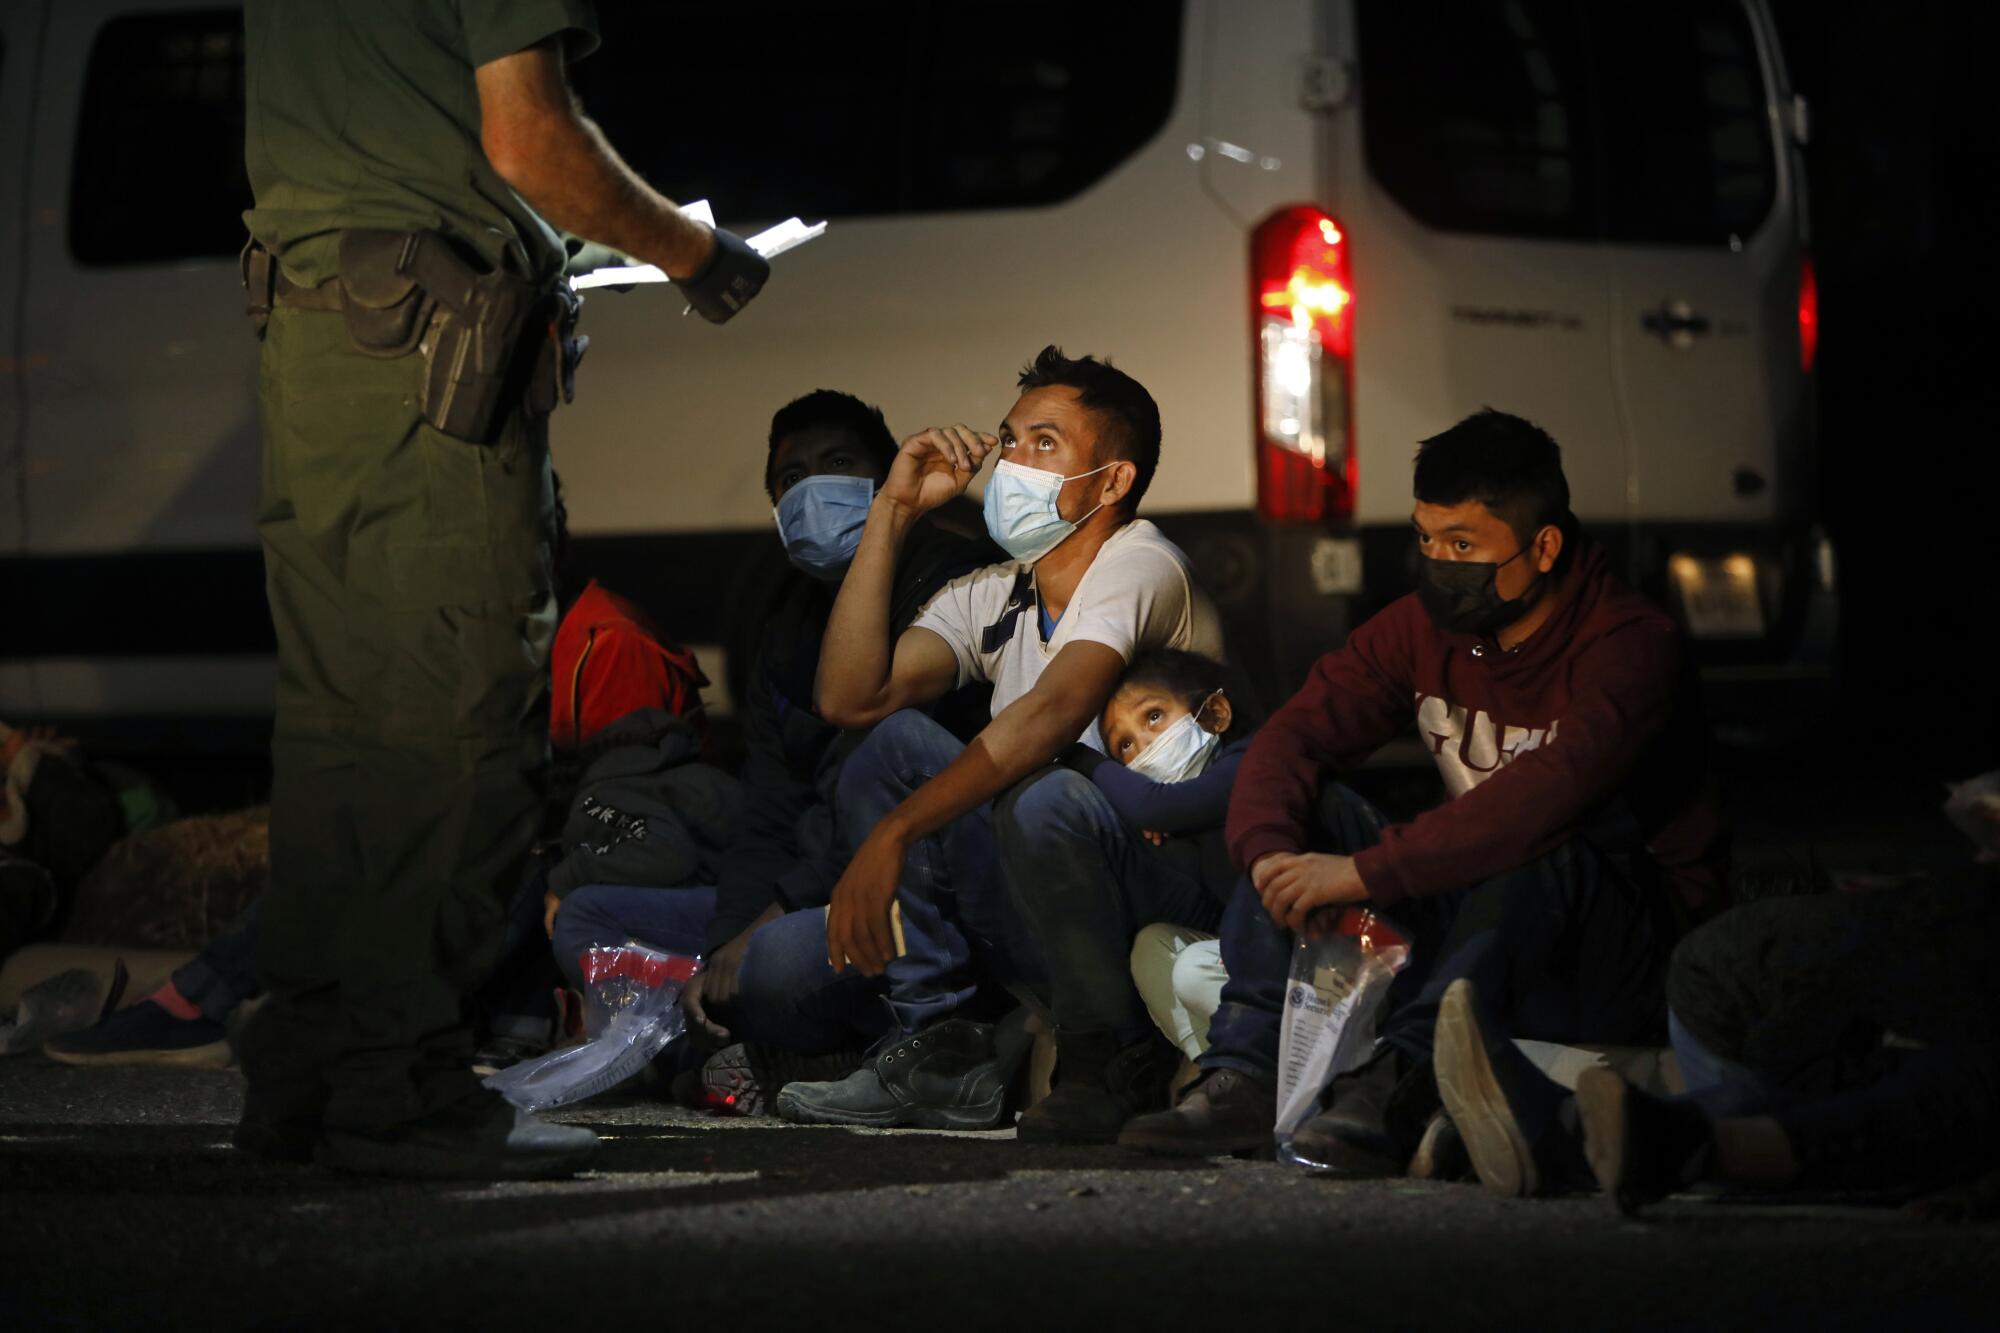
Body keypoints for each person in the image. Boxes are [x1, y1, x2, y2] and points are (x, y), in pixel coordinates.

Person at [237, 0, 771, 1178]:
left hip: (322, 343)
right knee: (453, 735)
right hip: (433, 369)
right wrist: (695, 253)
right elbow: (528, 139)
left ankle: (308, 1072)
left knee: (340, 733)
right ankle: (400, 1089)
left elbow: (398, 143)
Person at [1120, 409, 1726, 1178]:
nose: (1439, 562)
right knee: (1312, 806)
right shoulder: (1422, 629)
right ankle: (1245, 1066)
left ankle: (1400, 1079)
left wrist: (1363, 874)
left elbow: (1543, 799)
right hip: (1482, 911)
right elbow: (1293, 737)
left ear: (1542, 547)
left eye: (1464, 545)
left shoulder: (1629, 644)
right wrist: (1272, 854)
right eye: (1427, 538)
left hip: (1620, 937)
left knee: (1539, 840)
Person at [771, 346, 1224, 1131]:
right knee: (886, 755)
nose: (1013, 458)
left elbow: (1049, 716)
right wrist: (894, 512)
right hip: (1048, 905)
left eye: (1046, 443)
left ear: (1112, 481)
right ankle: (942, 1042)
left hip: (1166, 893)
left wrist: (895, 831)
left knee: (1044, 793)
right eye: (1011, 439)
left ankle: (1104, 1054)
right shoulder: (998, 591)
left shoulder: (1141, 562)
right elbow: (849, 695)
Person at [547, 390, 997, 1112]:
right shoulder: (786, 619)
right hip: (802, 899)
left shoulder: (952, 581)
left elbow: (874, 780)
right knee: (589, 917)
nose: (813, 488)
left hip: (912, 884)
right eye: (791, 479)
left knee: (772, 965)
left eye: (840, 463)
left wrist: (758, 930)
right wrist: (729, 933)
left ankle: (849, 1042)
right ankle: (720, 1036)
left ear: (887, 483)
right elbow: (770, 807)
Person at [1012, 648, 1254, 1141]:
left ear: (1215, 713)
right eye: (1122, 746)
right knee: (1154, 948)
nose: (1143, 748)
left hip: (1319, 958)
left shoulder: (1253, 758)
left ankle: (1266, 1077)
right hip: (1236, 950)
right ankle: (1222, 1078)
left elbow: (1155, 805)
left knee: (1189, 968)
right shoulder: (1182, 812)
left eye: (1155, 718)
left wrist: (1074, 752)